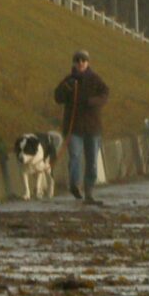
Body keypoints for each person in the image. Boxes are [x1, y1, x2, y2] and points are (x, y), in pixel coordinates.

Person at [53, 49, 110, 205]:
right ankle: (74, 185)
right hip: (74, 128)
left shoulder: (95, 79)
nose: (80, 63)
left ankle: (89, 191)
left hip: (93, 127)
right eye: (77, 60)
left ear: (88, 62)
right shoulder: (69, 80)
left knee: (91, 161)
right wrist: (66, 89)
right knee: (75, 156)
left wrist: (92, 102)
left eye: (83, 60)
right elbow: (57, 97)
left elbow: (105, 94)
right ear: (74, 63)